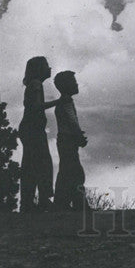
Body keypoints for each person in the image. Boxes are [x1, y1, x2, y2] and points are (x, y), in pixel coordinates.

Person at [18, 56, 57, 212]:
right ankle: (41, 201)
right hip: (33, 130)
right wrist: (58, 102)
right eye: (46, 65)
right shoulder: (36, 84)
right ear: (38, 69)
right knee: (41, 164)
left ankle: (29, 201)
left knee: (32, 165)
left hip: (30, 130)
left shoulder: (35, 84)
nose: (50, 68)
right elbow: (36, 106)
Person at [52, 70, 87, 211]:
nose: (77, 84)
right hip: (68, 140)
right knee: (75, 172)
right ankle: (78, 204)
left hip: (65, 140)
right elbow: (72, 121)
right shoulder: (66, 102)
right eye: (74, 82)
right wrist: (79, 136)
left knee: (67, 172)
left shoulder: (65, 101)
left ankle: (63, 203)